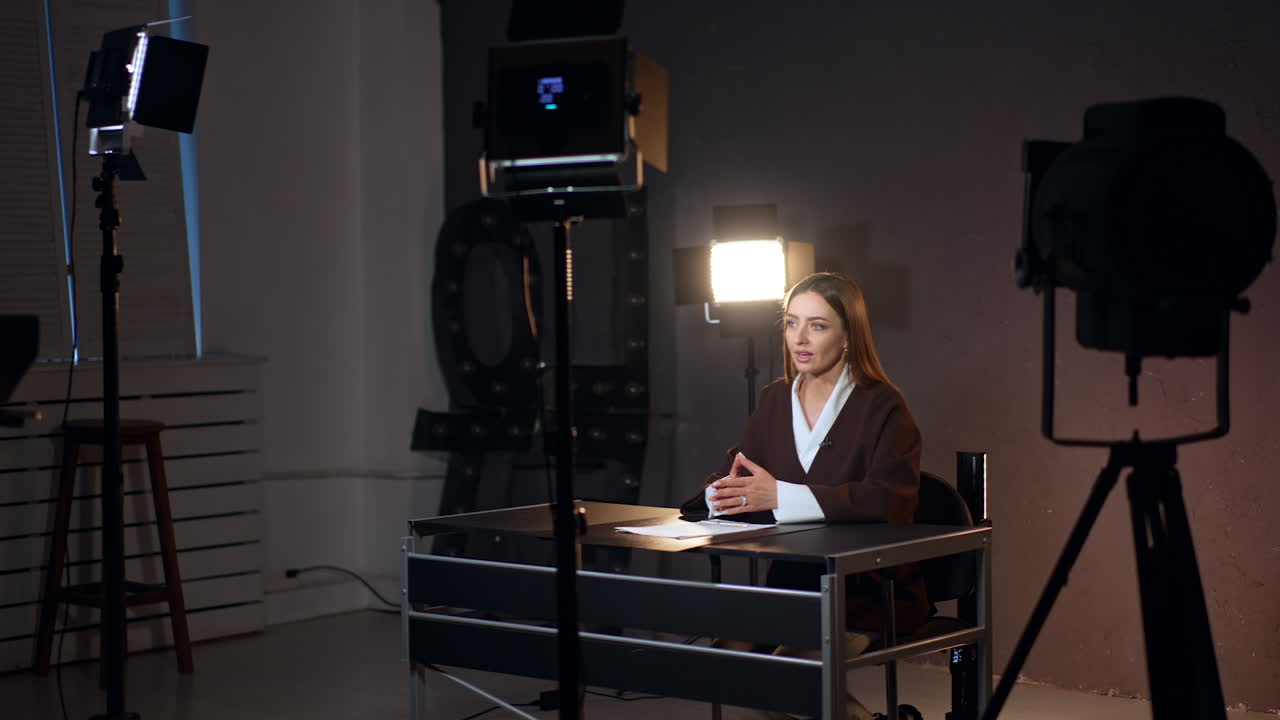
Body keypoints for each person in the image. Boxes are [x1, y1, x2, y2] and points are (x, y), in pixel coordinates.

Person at [681, 272, 927, 720]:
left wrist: (781, 495)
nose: (800, 338)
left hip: (868, 591)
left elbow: (891, 502)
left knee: (785, 676)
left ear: (849, 336)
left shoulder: (882, 404)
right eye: (792, 323)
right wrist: (726, 496)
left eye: (817, 325)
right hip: (792, 584)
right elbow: (739, 474)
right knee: (723, 659)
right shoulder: (776, 398)